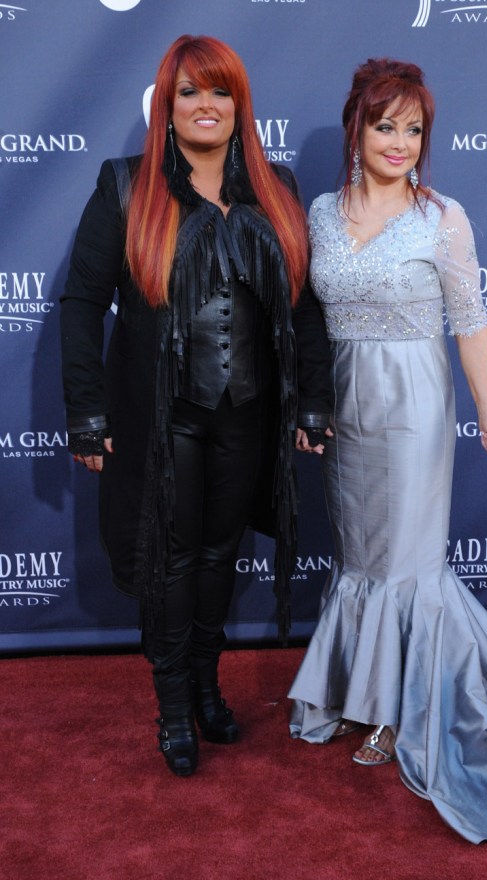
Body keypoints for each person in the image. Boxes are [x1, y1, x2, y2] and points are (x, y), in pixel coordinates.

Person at [288, 58, 487, 843]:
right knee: (361, 556)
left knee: (406, 565)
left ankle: (399, 710)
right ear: (355, 127)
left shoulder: (442, 218)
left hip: (417, 406)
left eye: (414, 128)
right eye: (385, 125)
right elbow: (307, 326)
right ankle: (350, 694)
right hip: (348, 406)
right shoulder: (320, 212)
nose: (400, 142)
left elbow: (472, 322)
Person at [60, 34, 332, 777]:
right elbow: (81, 303)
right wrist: (87, 413)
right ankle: (174, 706)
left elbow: (304, 305)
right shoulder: (124, 186)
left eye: (219, 91)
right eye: (189, 92)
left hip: (247, 415)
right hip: (162, 419)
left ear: (239, 104)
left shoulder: (276, 187)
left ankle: (209, 687)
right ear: (167, 109)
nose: (205, 104)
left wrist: (313, 401)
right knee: (172, 561)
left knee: (220, 553)